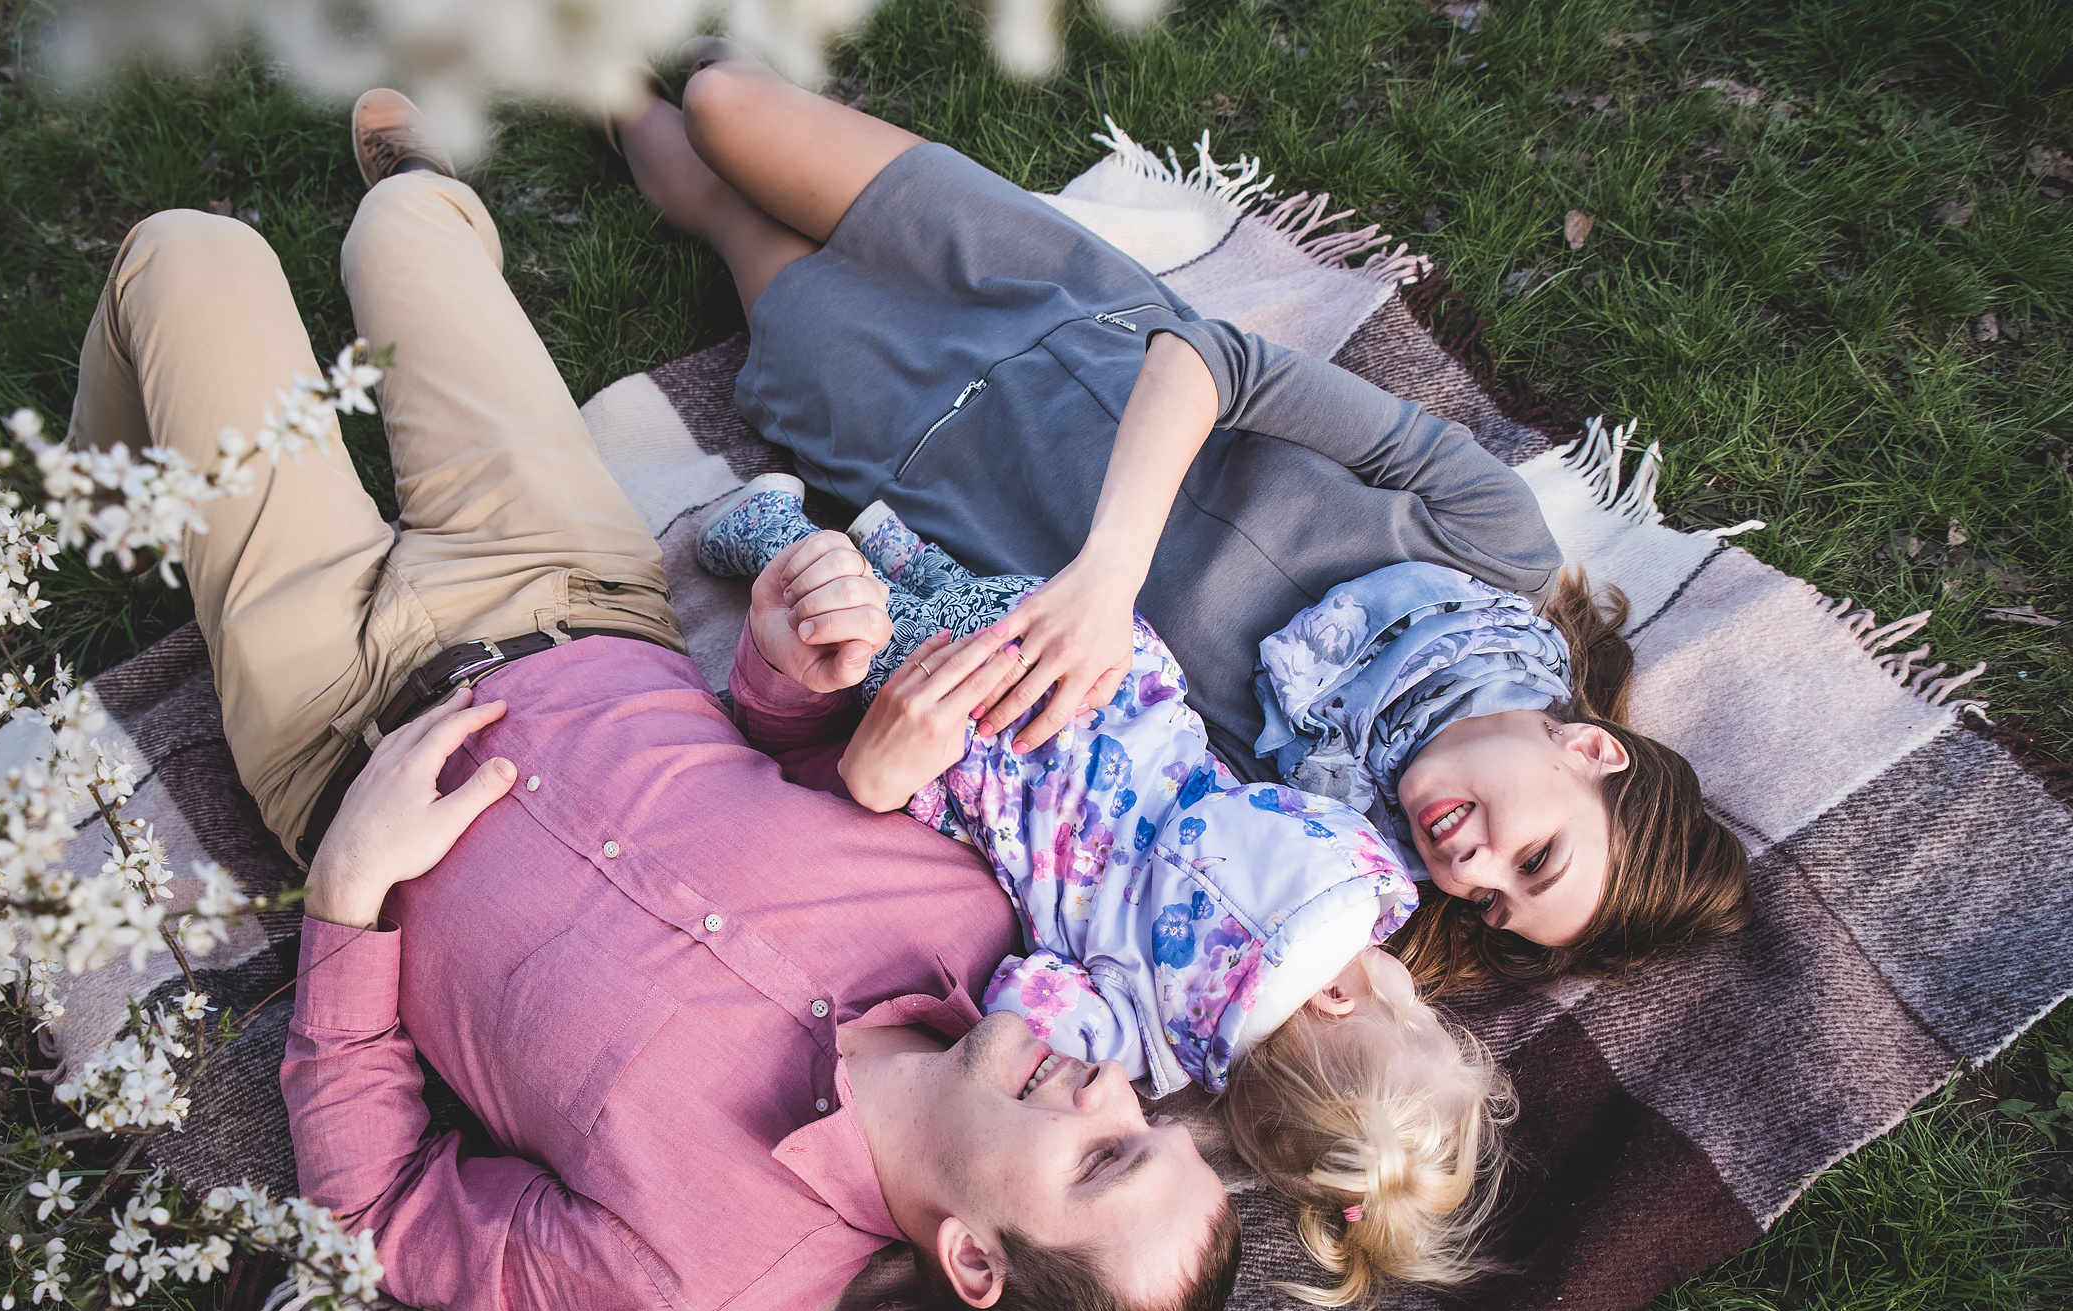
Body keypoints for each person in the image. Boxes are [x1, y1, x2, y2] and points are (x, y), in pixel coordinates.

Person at [64, 90, 1239, 1311]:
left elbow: (380, 1216)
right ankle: (421, 207)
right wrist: (791, 664)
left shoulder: (685, 1287)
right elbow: (768, 763)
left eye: (1100, 1161)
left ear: (973, 1255)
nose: (1105, 1089)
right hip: (568, 582)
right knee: (405, 227)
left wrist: (347, 902)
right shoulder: (969, 913)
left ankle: (116, 479)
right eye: (1142, 1121)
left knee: (189, 256)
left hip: (336, 709)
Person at [614, 44, 1751, 986]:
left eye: (1495, 906)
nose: (1476, 871)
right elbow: (1207, 356)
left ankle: (577, 60)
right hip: (1050, 294)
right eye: (1536, 856)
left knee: (714, 207)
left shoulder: (1297, 814)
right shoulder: (1489, 548)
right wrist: (1106, 581)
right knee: (722, 101)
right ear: (1587, 749)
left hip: (912, 436)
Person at [702, 481, 1515, 1309]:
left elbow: (1295, 797)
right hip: (987, 745)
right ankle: (770, 533)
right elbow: (1020, 1003)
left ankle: (876, 542)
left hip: (1093, 664)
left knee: (956, 603)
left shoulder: (1346, 869)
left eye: (1418, 1014)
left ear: (1341, 995)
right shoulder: (1145, 1044)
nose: (1418, 988)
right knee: (878, 641)